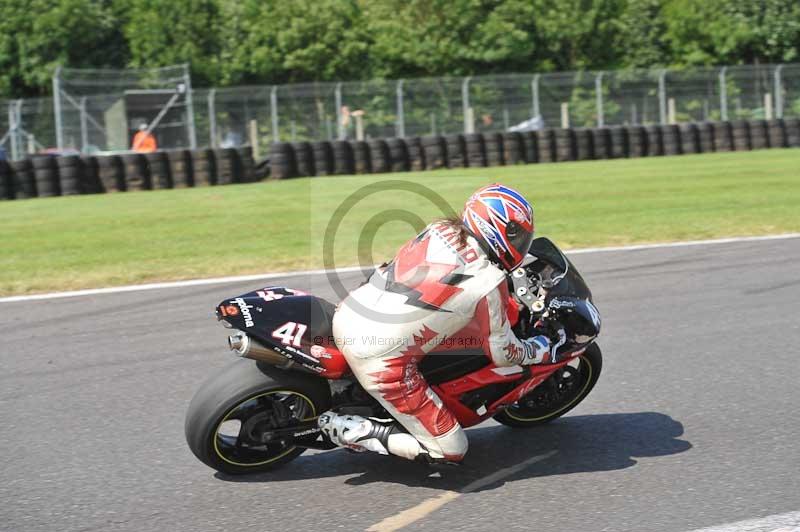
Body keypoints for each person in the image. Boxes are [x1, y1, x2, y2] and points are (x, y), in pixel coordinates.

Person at [319, 184, 562, 463]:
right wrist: (541, 347)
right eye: (517, 235)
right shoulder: (488, 283)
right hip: (380, 364)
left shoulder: (438, 230)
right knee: (451, 450)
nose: (521, 243)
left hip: (350, 311)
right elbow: (504, 354)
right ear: (495, 229)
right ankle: (355, 431)